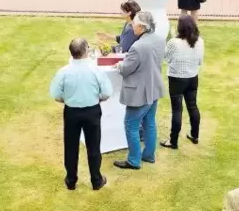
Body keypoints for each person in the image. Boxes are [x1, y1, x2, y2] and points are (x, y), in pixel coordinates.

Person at [49, 38, 112, 191]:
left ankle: (71, 180)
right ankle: (96, 180)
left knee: (70, 146)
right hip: (92, 111)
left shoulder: (64, 71)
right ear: (86, 51)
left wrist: (68, 99)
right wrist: (96, 98)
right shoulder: (95, 70)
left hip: (71, 112)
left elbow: (55, 94)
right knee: (93, 146)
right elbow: (107, 93)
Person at [113, 11, 165, 170]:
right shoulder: (159, 40)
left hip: (139, 93)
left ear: (142, 27)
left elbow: (126, 69)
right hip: (153, 88)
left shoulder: (138, 46)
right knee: (149, 123)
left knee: (131, 124)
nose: (131, 26)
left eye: (134, 24)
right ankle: (149, 155)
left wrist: (119, 66)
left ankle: (134, 160)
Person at [160, 15, 203, 150]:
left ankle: (173, 141)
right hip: (192, 77)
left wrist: (171, 38)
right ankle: (195, 135)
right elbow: (200, 61)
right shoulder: (199, 41)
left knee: (177, 110)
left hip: (176, 79)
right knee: (193, 106)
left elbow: (165, 57)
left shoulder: (174, 42)